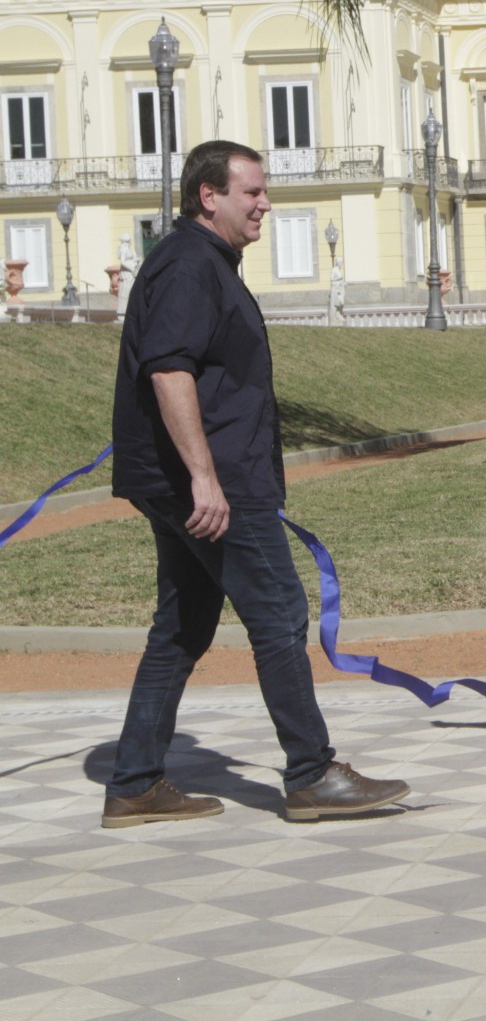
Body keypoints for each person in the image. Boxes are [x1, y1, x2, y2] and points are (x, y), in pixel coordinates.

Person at [104, 140, 411, 828]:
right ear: (208, 196)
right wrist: (204, 479)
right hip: (213, 486)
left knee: (182, 629)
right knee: (278, 612)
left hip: (198, 479)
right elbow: (169, 371)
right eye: (252, 191)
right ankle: (311, 775)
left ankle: (133, 782)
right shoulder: (189, 267)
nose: (265, 203)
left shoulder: (200, 262)